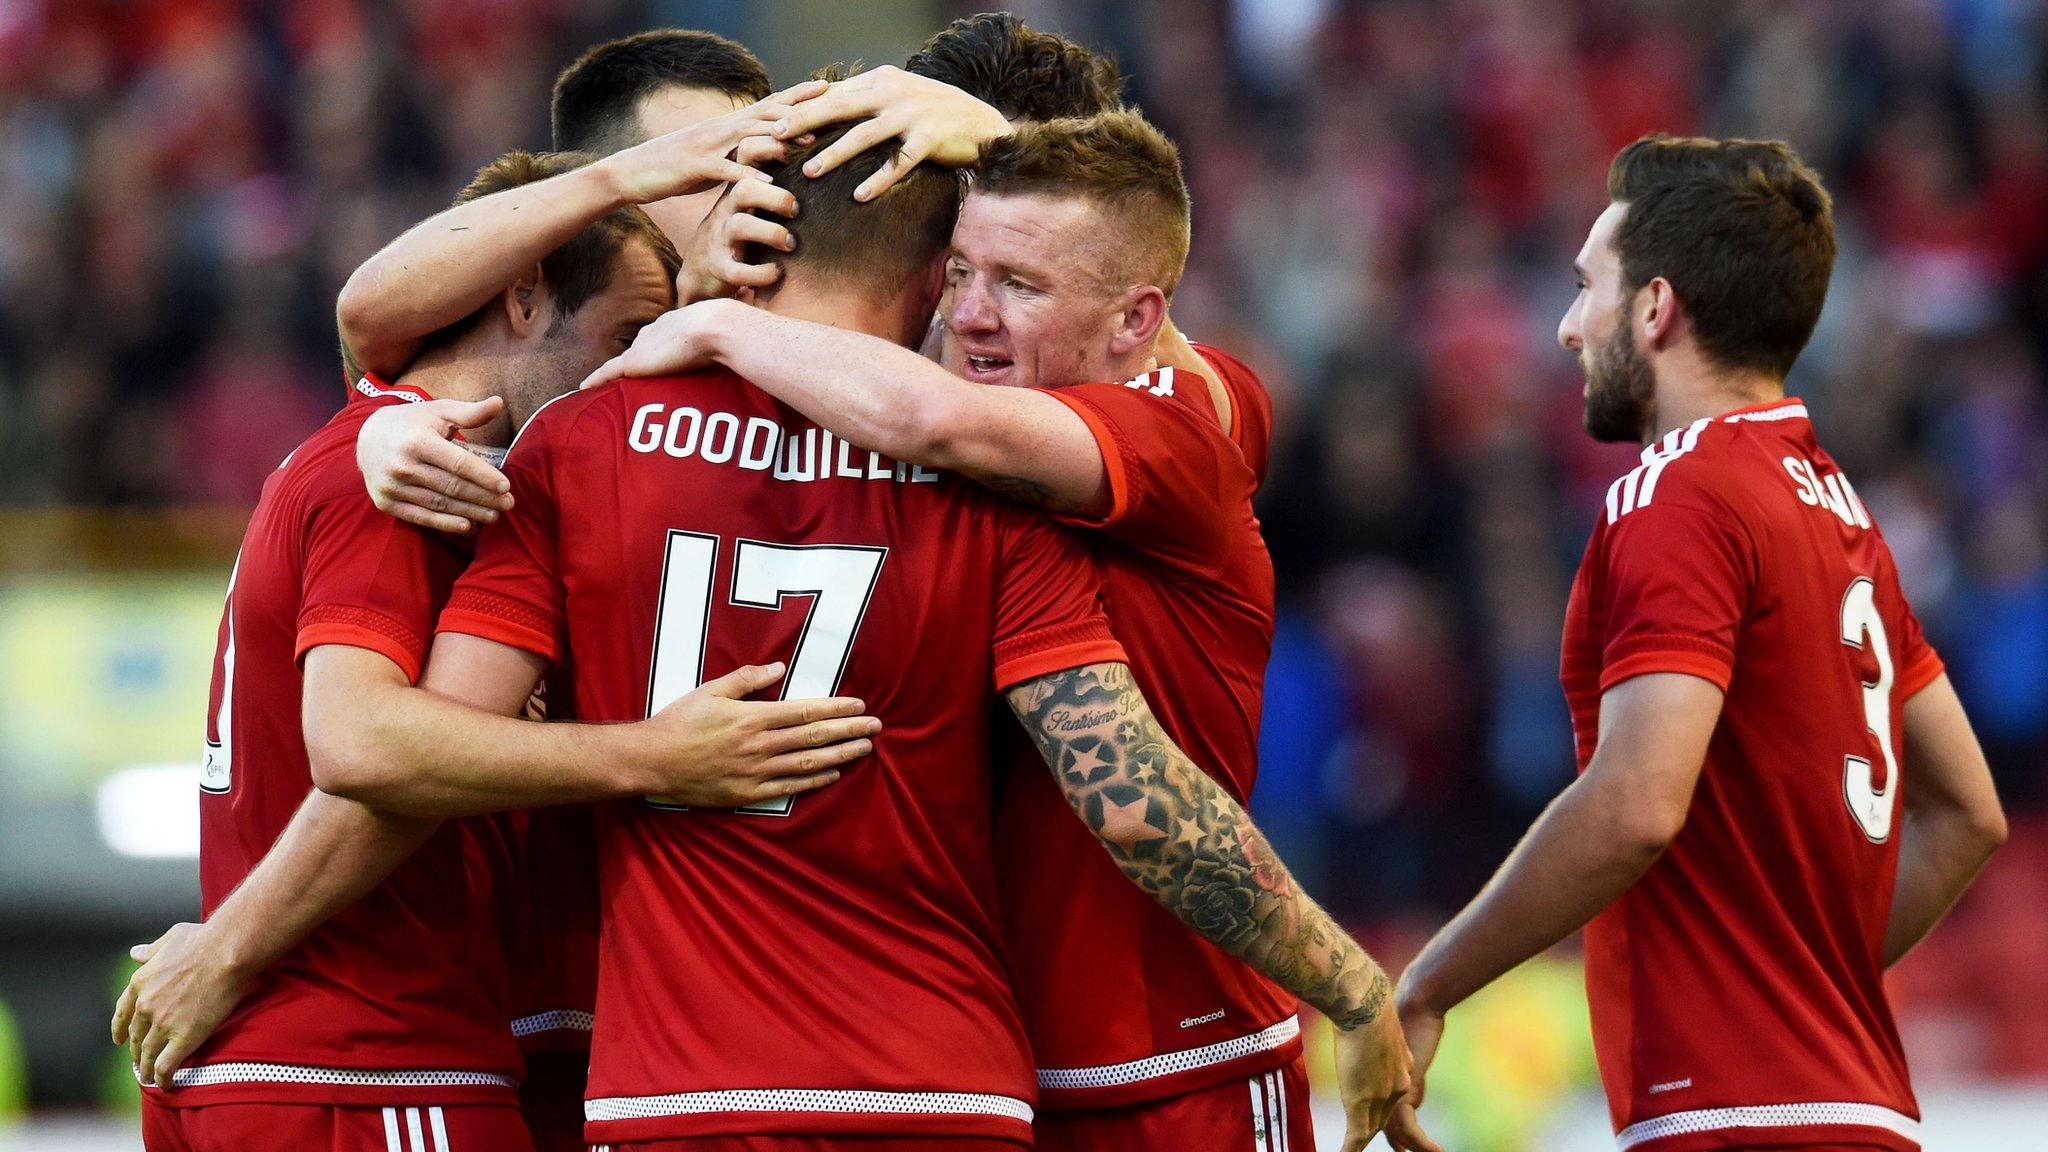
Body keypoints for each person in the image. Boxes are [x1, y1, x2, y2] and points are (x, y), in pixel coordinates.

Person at [414, 125, 1394, 1152]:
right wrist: (1347, 982)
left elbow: (427, 750)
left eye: (1013, 282)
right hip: (939, 1089)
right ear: (933, 275)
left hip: (677, 1088)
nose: (972, 311)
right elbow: (1132, 795)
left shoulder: (583, 440)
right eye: (965, 273)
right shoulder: (996, 484)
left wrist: (633, 756)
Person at [114, 150, 877, 1152]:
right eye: (624, 334)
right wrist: (658, 753)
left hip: (299, 1057)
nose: (634, 374)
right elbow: (367, 750)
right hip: (370, 1066)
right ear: (522, 299)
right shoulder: (407, 482)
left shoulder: (378, 449)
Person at [1383, 136, 2010, 1152]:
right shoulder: (1834, 512)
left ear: (1654, 308)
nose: (1564, 328)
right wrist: (1813, 989)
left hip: (1728, 1114)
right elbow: (1967, 815)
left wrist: (1428, 982)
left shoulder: (1675, 492)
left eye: (1586, 287)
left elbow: (1634, 805)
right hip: (1858, 1110)